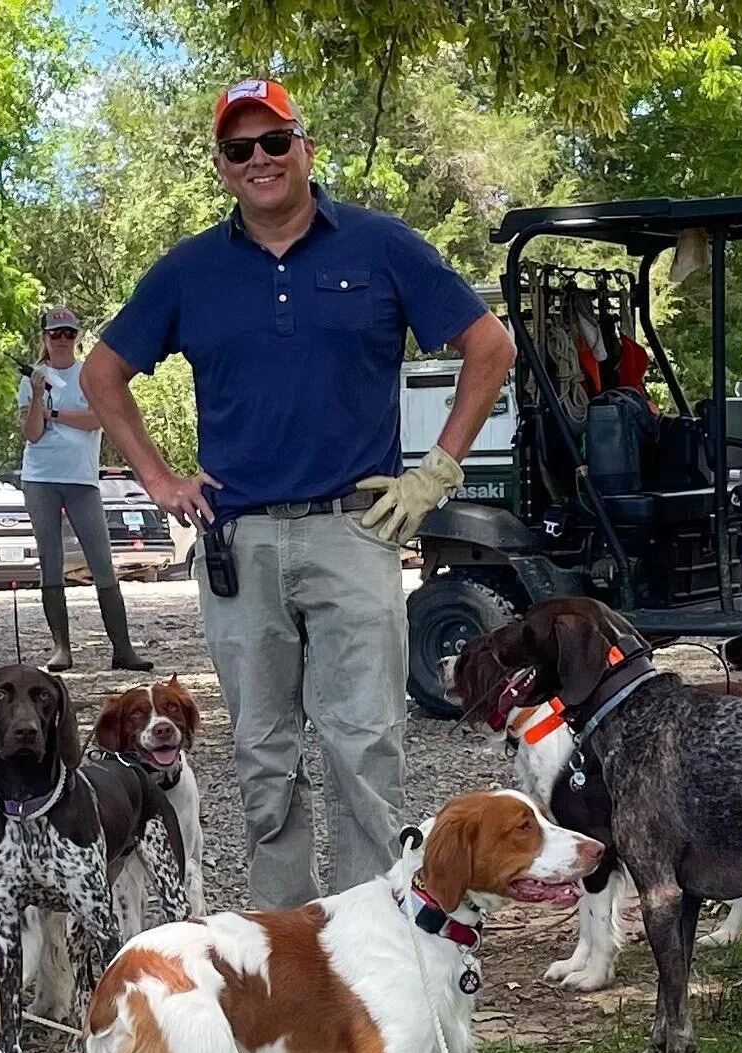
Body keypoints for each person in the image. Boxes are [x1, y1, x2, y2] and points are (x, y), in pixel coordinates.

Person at [81, 78, 516, 908]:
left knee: (365, 746)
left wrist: (437, 473)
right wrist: (159, 479)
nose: (260, 161)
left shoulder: (381, 246)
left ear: (305, 147)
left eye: (274, 141)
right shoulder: (191, 270)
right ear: (222, 166)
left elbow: (488, 347)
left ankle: (368, 943)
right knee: (263, 753)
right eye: (240, 149)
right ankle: (285, 939)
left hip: (355, 529)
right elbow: (104, 374)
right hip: (238, 541)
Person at [18, 306, 151, 672]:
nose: (62, 340)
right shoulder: (34, 377)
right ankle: (61, 648)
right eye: (55, 334)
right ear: (44, 338)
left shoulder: (88, 375)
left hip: (82, 479)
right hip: (41, 478)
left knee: (101, 561)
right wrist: (35, 398)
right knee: (51, 561)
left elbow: (99, 420)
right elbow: (31, 433)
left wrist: (55, 414)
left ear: (77, 337)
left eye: (68, 334)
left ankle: (122, 648)